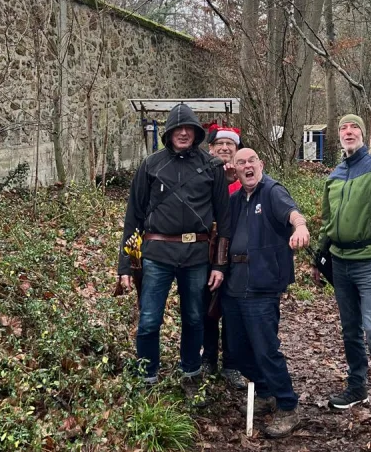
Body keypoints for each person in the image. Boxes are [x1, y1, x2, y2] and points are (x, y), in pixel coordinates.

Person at [118, 103, 230, 401]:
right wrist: (125, 265)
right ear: (168, 133)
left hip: (197, 256)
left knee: (194, 318)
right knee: (149, 320)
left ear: (196, 133)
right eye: (177, 128)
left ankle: (191, 372)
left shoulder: (212, 167)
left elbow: (225, 221)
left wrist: (219, 265)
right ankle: (147, 376)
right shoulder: (150, 165)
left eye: (188, 128)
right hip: (156, 255)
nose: (183, 133)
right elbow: (133, 216)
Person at [311, 113, 371, 437]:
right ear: (338, 135)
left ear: (363, 134)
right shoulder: (335, 175)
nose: (348, 131)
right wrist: (319, 257)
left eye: (354, 127)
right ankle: (356, 387)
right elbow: (328, 221)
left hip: (370, 260)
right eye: (343, 128)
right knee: (350, 329)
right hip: (340, 261)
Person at [222, 148, 310, 438]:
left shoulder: (272, 191)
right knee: (236, 350)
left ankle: (288, 406)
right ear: (235, 170)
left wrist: (300, 227)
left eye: (252, 161)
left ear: (260, 164)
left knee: (265, 348)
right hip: (234, 283)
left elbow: (293, 213)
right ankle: (265, 391)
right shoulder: (235, 199)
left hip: (262, 284)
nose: (247, 166)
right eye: (241, 163)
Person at [203, 124, 246, 389]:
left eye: (230, 144)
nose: (225, 148)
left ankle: (232, 363)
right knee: (206, 307)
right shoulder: (201, 173)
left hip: (236, 255)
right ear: (210, 148)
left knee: (232, 310)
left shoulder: (246, 176)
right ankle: (207, 358)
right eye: (220, 143)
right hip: (205, 252)